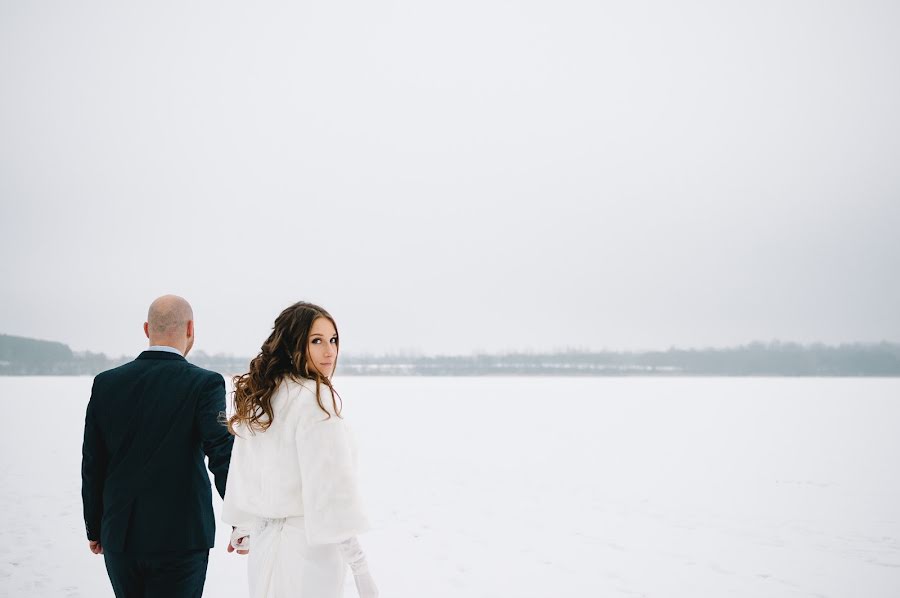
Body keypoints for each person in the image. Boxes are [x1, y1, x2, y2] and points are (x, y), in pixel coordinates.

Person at [223, 301, 379, 598]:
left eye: (333, 340)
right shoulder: (315, 398)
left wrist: (241, 525)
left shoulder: (262, 399)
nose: (329, 351)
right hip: (310, 552)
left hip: (265, 548)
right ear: (294, 343)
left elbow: (244, 468)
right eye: (316, 341)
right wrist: (360, 567)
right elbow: (330, 491)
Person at [81, 295, 234, 597]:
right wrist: (242, 518)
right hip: (182, 538)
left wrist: (94, 527)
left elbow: (92, 462)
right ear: (191, 328)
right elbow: (221, 452)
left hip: (120, 537)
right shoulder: (205, 383)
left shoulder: (106, 383)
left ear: (146, 329)